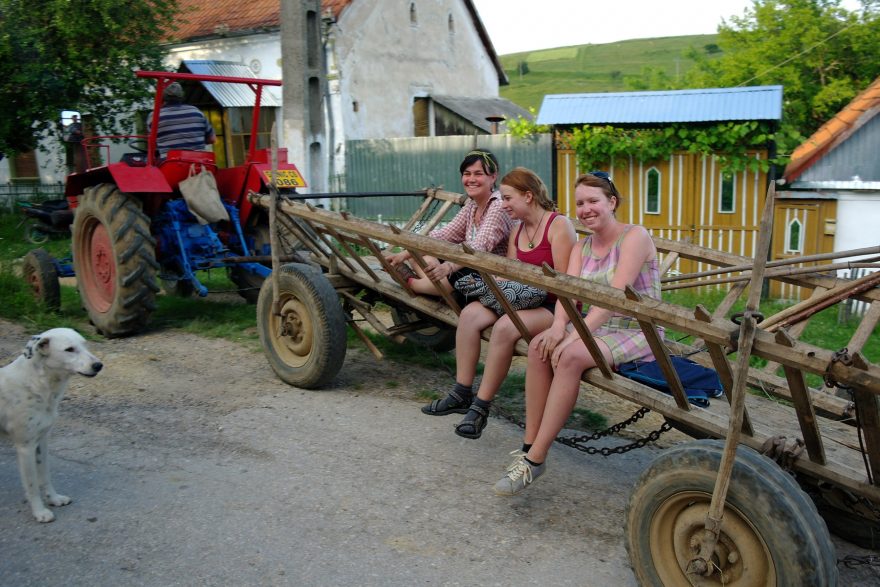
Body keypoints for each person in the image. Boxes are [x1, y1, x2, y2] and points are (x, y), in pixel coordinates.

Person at [493, 172, 662, 496]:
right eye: (580, 203)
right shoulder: (581, 247)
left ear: (611, 202)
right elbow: (567, 294)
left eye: (593, 201)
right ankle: (528, 444)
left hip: (637, 329)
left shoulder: (635, 236)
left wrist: (573, 337)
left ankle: (535, 460)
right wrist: (558, 328)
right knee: (540, 346)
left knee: (569, 356)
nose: (586, 209)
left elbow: (614, 299)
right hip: (596, 324)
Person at [422, 167, 576, 430]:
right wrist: (484, 287)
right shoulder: (517, 230)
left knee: (505, 328)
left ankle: (481, 407)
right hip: (521, 298)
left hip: (553, 306)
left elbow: (567, 286)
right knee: (470, 314)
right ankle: (461, 392)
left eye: (507, 198)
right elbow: (511, 275)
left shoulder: (558, 226)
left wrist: (560, 325)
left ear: (528, 196)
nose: (502, 205)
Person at [386, 149, 513, 296]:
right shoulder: (472, 204)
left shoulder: (498, 205)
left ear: (493, 176)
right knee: (418, 256)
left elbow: (478, 247)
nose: (471, 179)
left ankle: (412, 283)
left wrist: (448, 267)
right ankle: (435, 286)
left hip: (493, 274)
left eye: (478, 174)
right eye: (467, 174)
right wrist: (404, 254)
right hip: (470, 264)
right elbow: (444, 235)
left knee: (453, 276)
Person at [147, 82, 217, 157]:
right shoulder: (197, 112)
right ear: (181, 96)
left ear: (163, 97)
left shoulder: (154, 116)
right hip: (199, 163)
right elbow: (212, 139)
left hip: (169, 164)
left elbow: (151, 143)